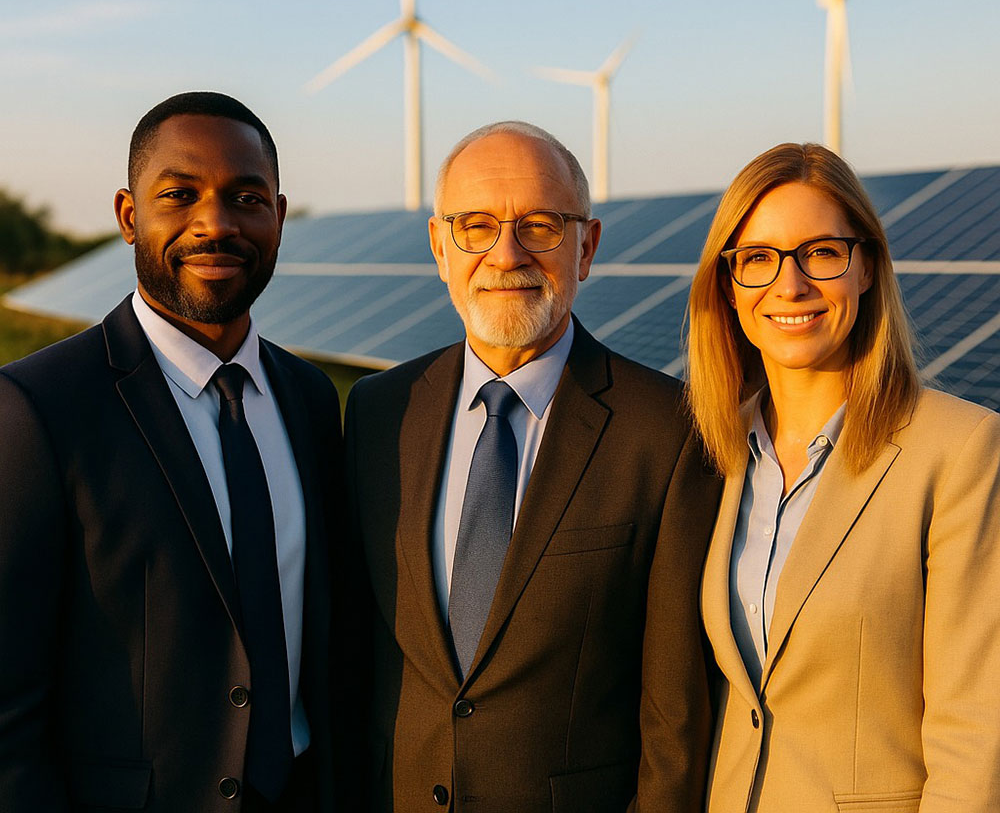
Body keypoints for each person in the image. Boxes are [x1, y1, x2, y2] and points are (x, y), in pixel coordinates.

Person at [344, 121, 722, 813]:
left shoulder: (666, 429)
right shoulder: (378, 413)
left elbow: (675, 717)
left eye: (540, 225)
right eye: (475, 226)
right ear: (438, 246)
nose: (505, 253)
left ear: (588, 246)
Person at [0, 91, 355, 812]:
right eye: (181, 194)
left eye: (246, 197)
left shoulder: (312, 399)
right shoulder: (38, 407)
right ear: (130, 216)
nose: (216, 224)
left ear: (279, 218)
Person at [687, 142, 1000, 812]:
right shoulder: (709, 456)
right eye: (757, 259)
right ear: (727, 284)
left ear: (866, 268)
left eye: (822, 253)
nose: (790, 284)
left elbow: (975, 729)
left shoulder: (960, 451)